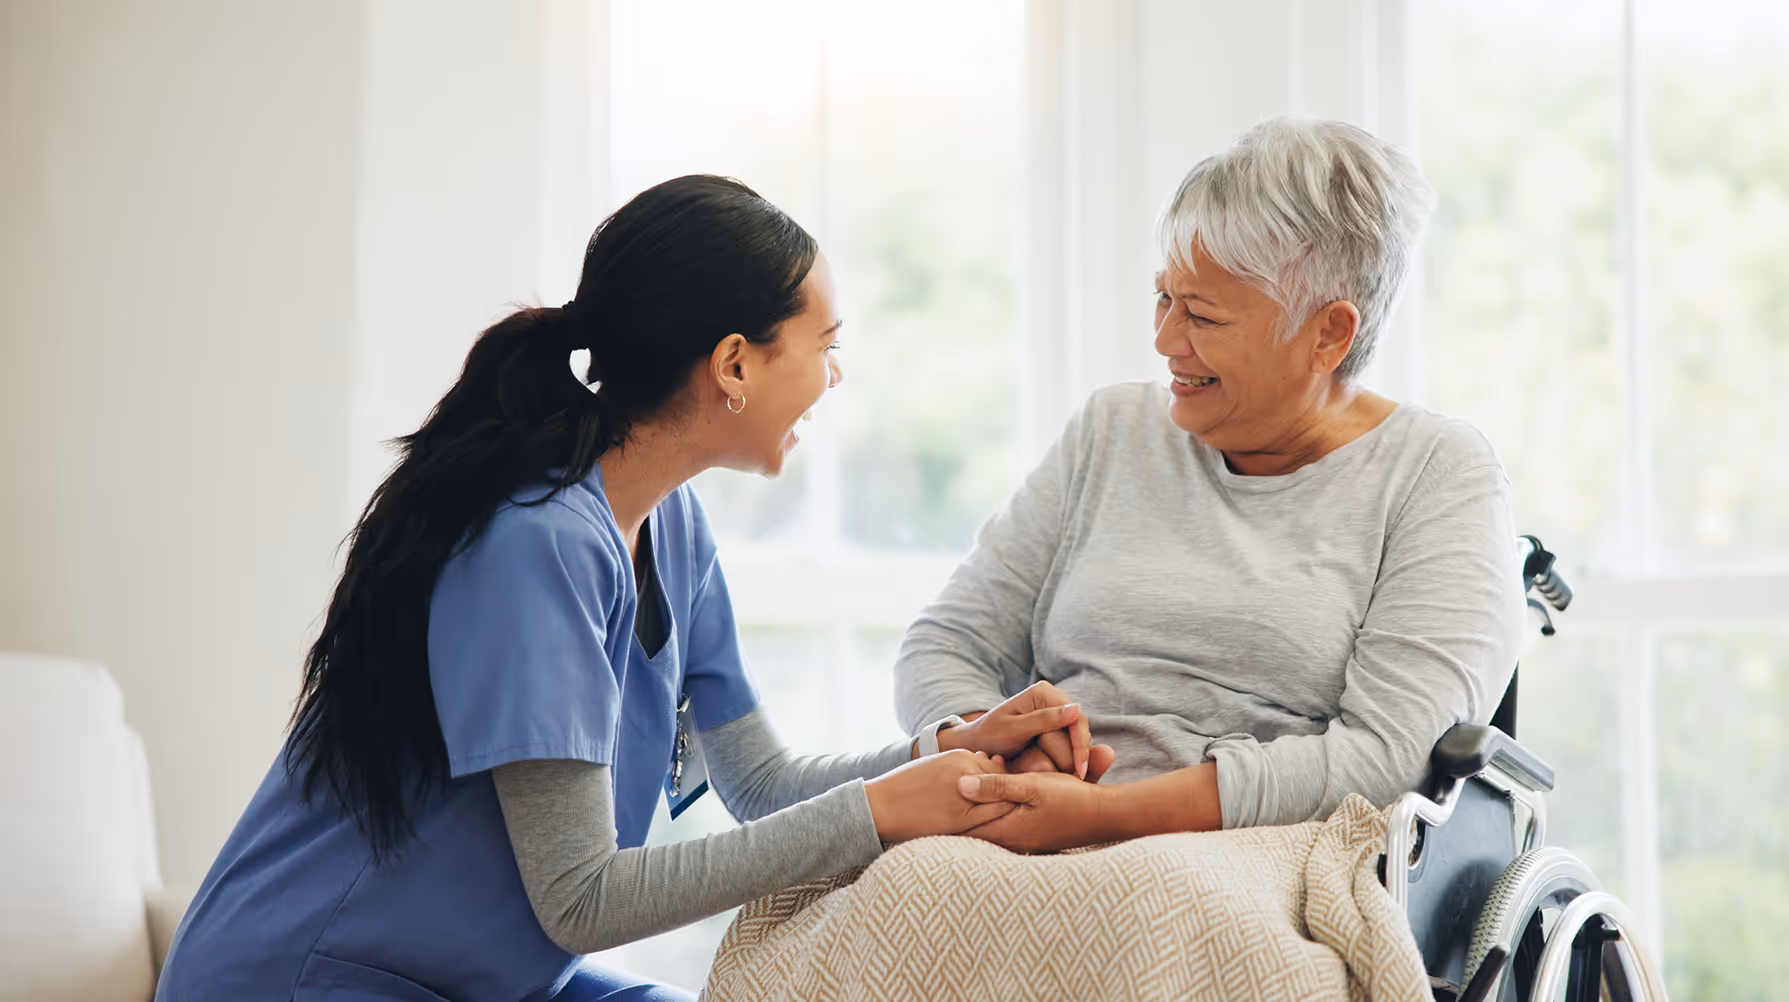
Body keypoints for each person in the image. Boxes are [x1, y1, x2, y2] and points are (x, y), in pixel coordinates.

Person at [156, 175, 1099, 1001]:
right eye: (825, 344)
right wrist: (885, 812)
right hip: (314, 975)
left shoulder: (673, 527)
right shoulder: (538, 542)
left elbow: (761, 784)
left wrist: (951, 749)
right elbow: (581, 899)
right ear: (734, 363)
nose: (834, 375)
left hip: (486, 982)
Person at [895, 116, 1526, 852]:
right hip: (1025, 828)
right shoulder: (1112, 430)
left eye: (1201, 315)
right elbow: (946, 643)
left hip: (1261, 859)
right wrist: (987, 743)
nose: (1165, 340)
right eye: (1163, 298)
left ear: (1329, 333)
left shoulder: (1438, 475)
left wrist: (1104, 816)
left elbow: (1384, 758)